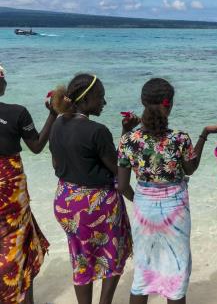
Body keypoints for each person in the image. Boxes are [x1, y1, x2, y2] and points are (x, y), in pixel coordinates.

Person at [117, 78, 217, 304]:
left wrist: (138, 200)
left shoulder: (129, 140)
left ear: (143, 102)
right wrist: (204, 134)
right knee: (176, 273)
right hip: (175, 208)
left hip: (143, 208)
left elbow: (122, 185)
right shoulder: (180, 138)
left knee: (142, 272)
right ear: (169, 105)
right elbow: (191, 168)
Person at [50, 73, 135, 304]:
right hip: (96, 206)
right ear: (85, 100)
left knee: (81, 259)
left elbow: (57, 165)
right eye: (101, 98)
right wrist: (127, 133)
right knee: (113, 255)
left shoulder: (57, 124)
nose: (104, 103)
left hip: (66, 201)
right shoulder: (97, 131)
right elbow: (119, 171)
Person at [0, 64, 54, 304]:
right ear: (1, 85)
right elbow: (37, 146)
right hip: (11, 188)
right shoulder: (17, 112)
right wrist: (53, 115)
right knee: (18, 238)